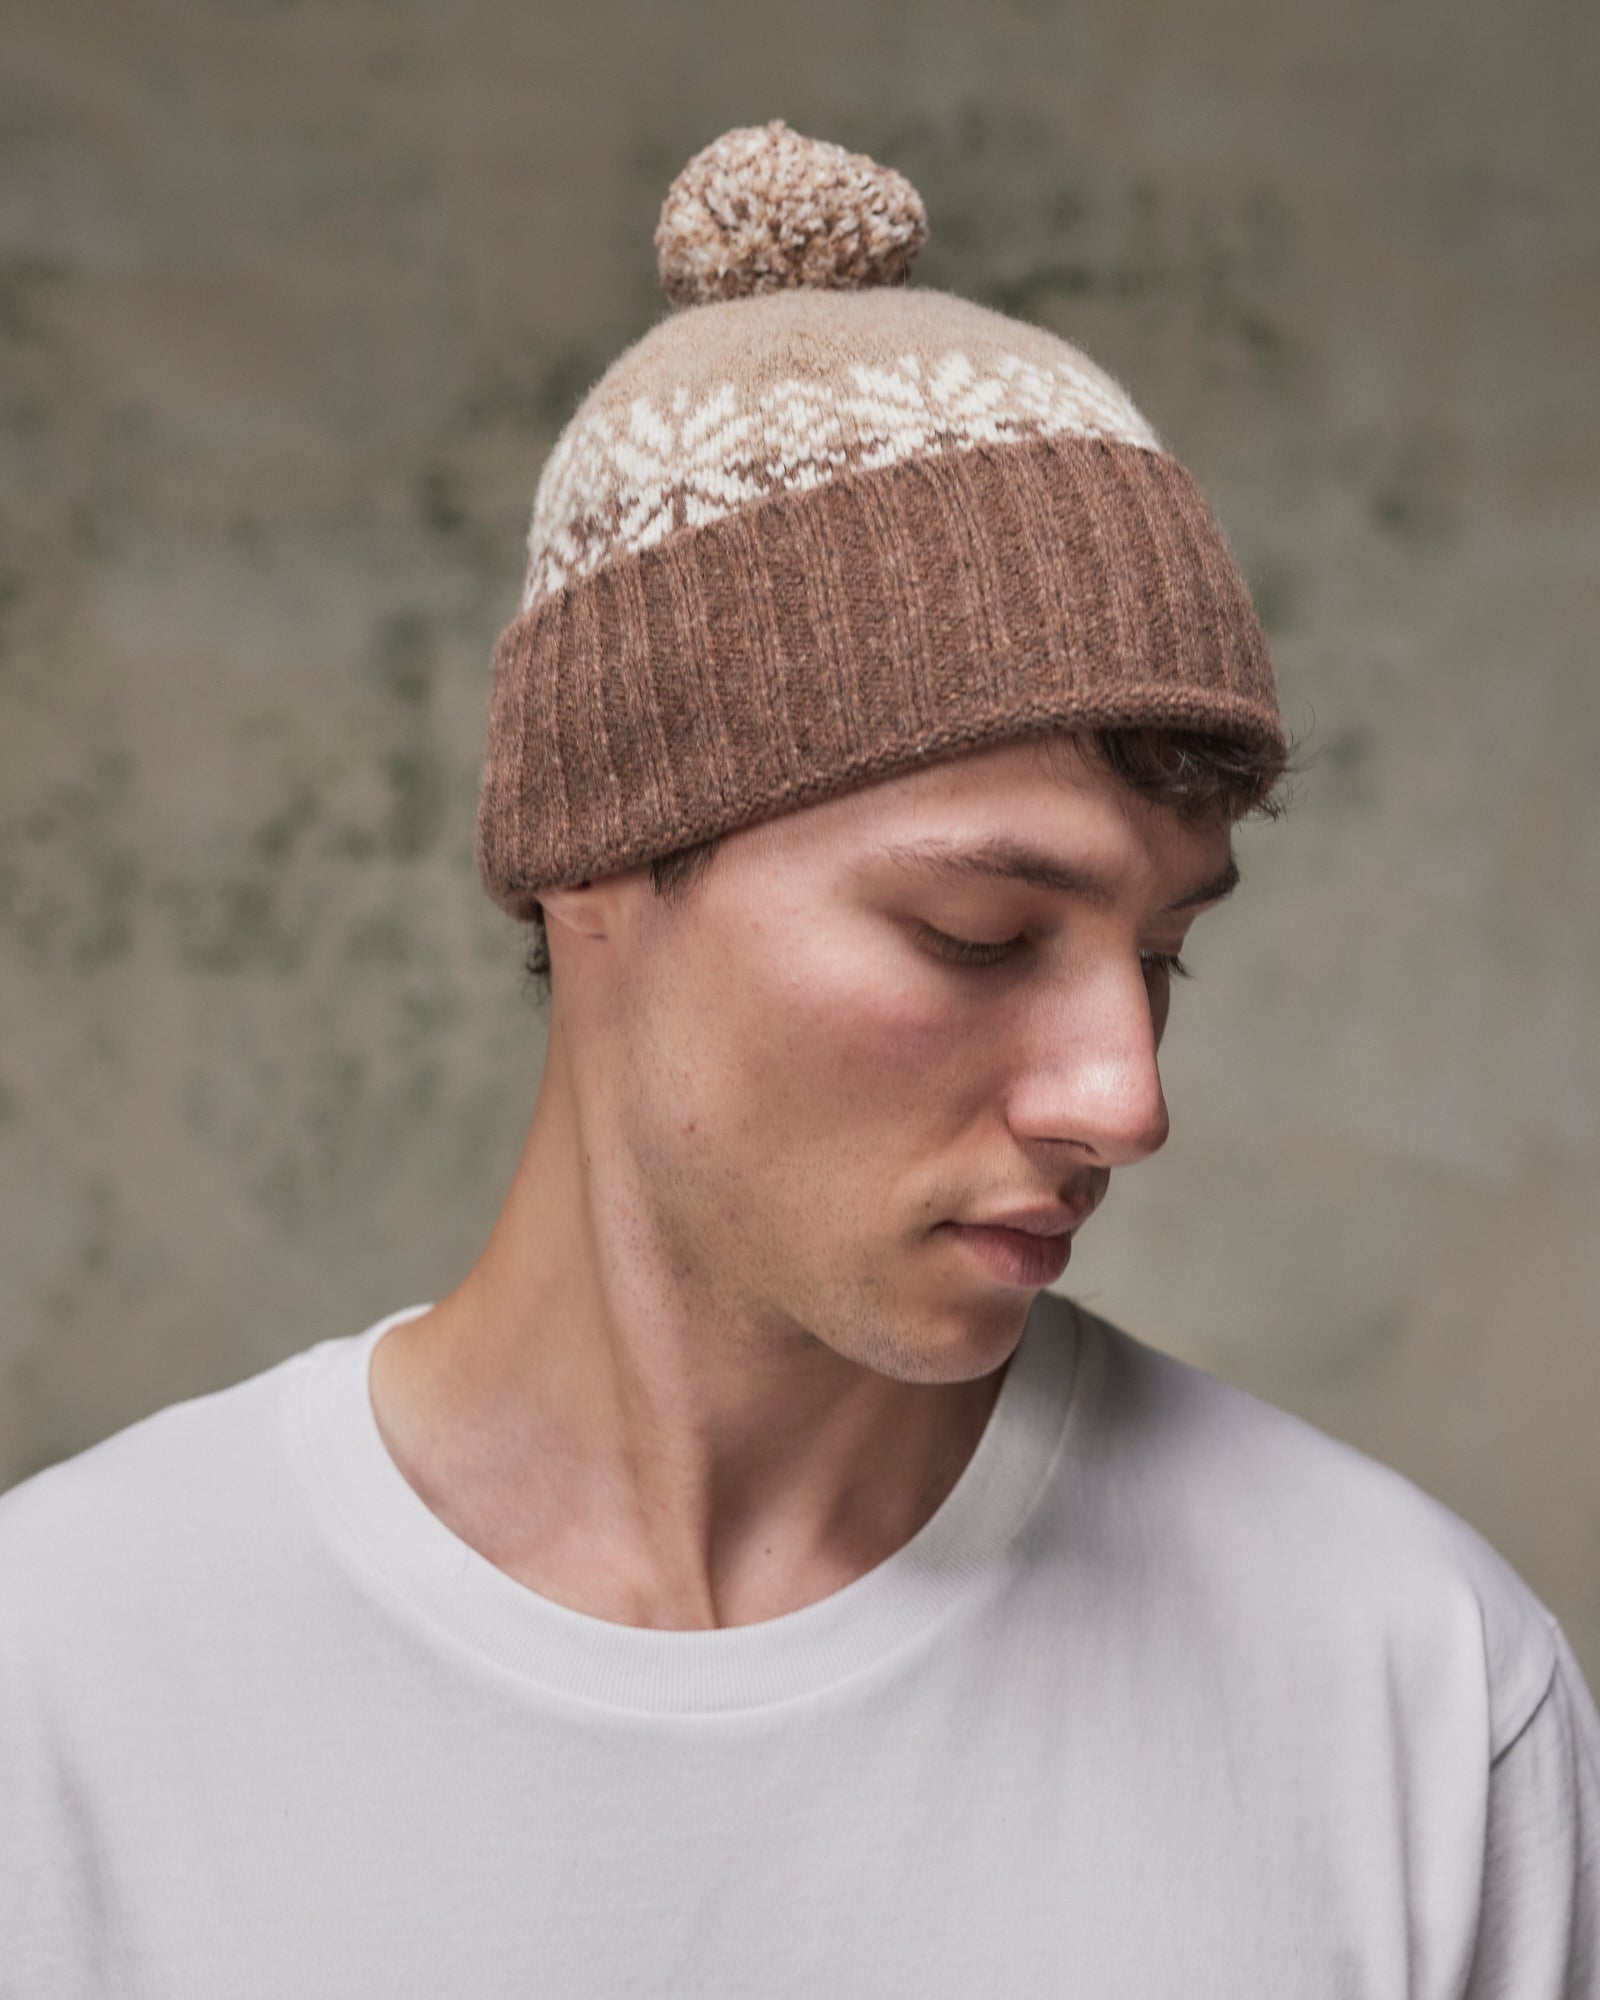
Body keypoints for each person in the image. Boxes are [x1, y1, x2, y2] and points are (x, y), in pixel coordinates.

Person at [1, 119, 1595, 1998]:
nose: (1127, 1100)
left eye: (1163, 953)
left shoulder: (1411, 1695)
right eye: (980, 936)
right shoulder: (62, 1692)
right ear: (592, 859)